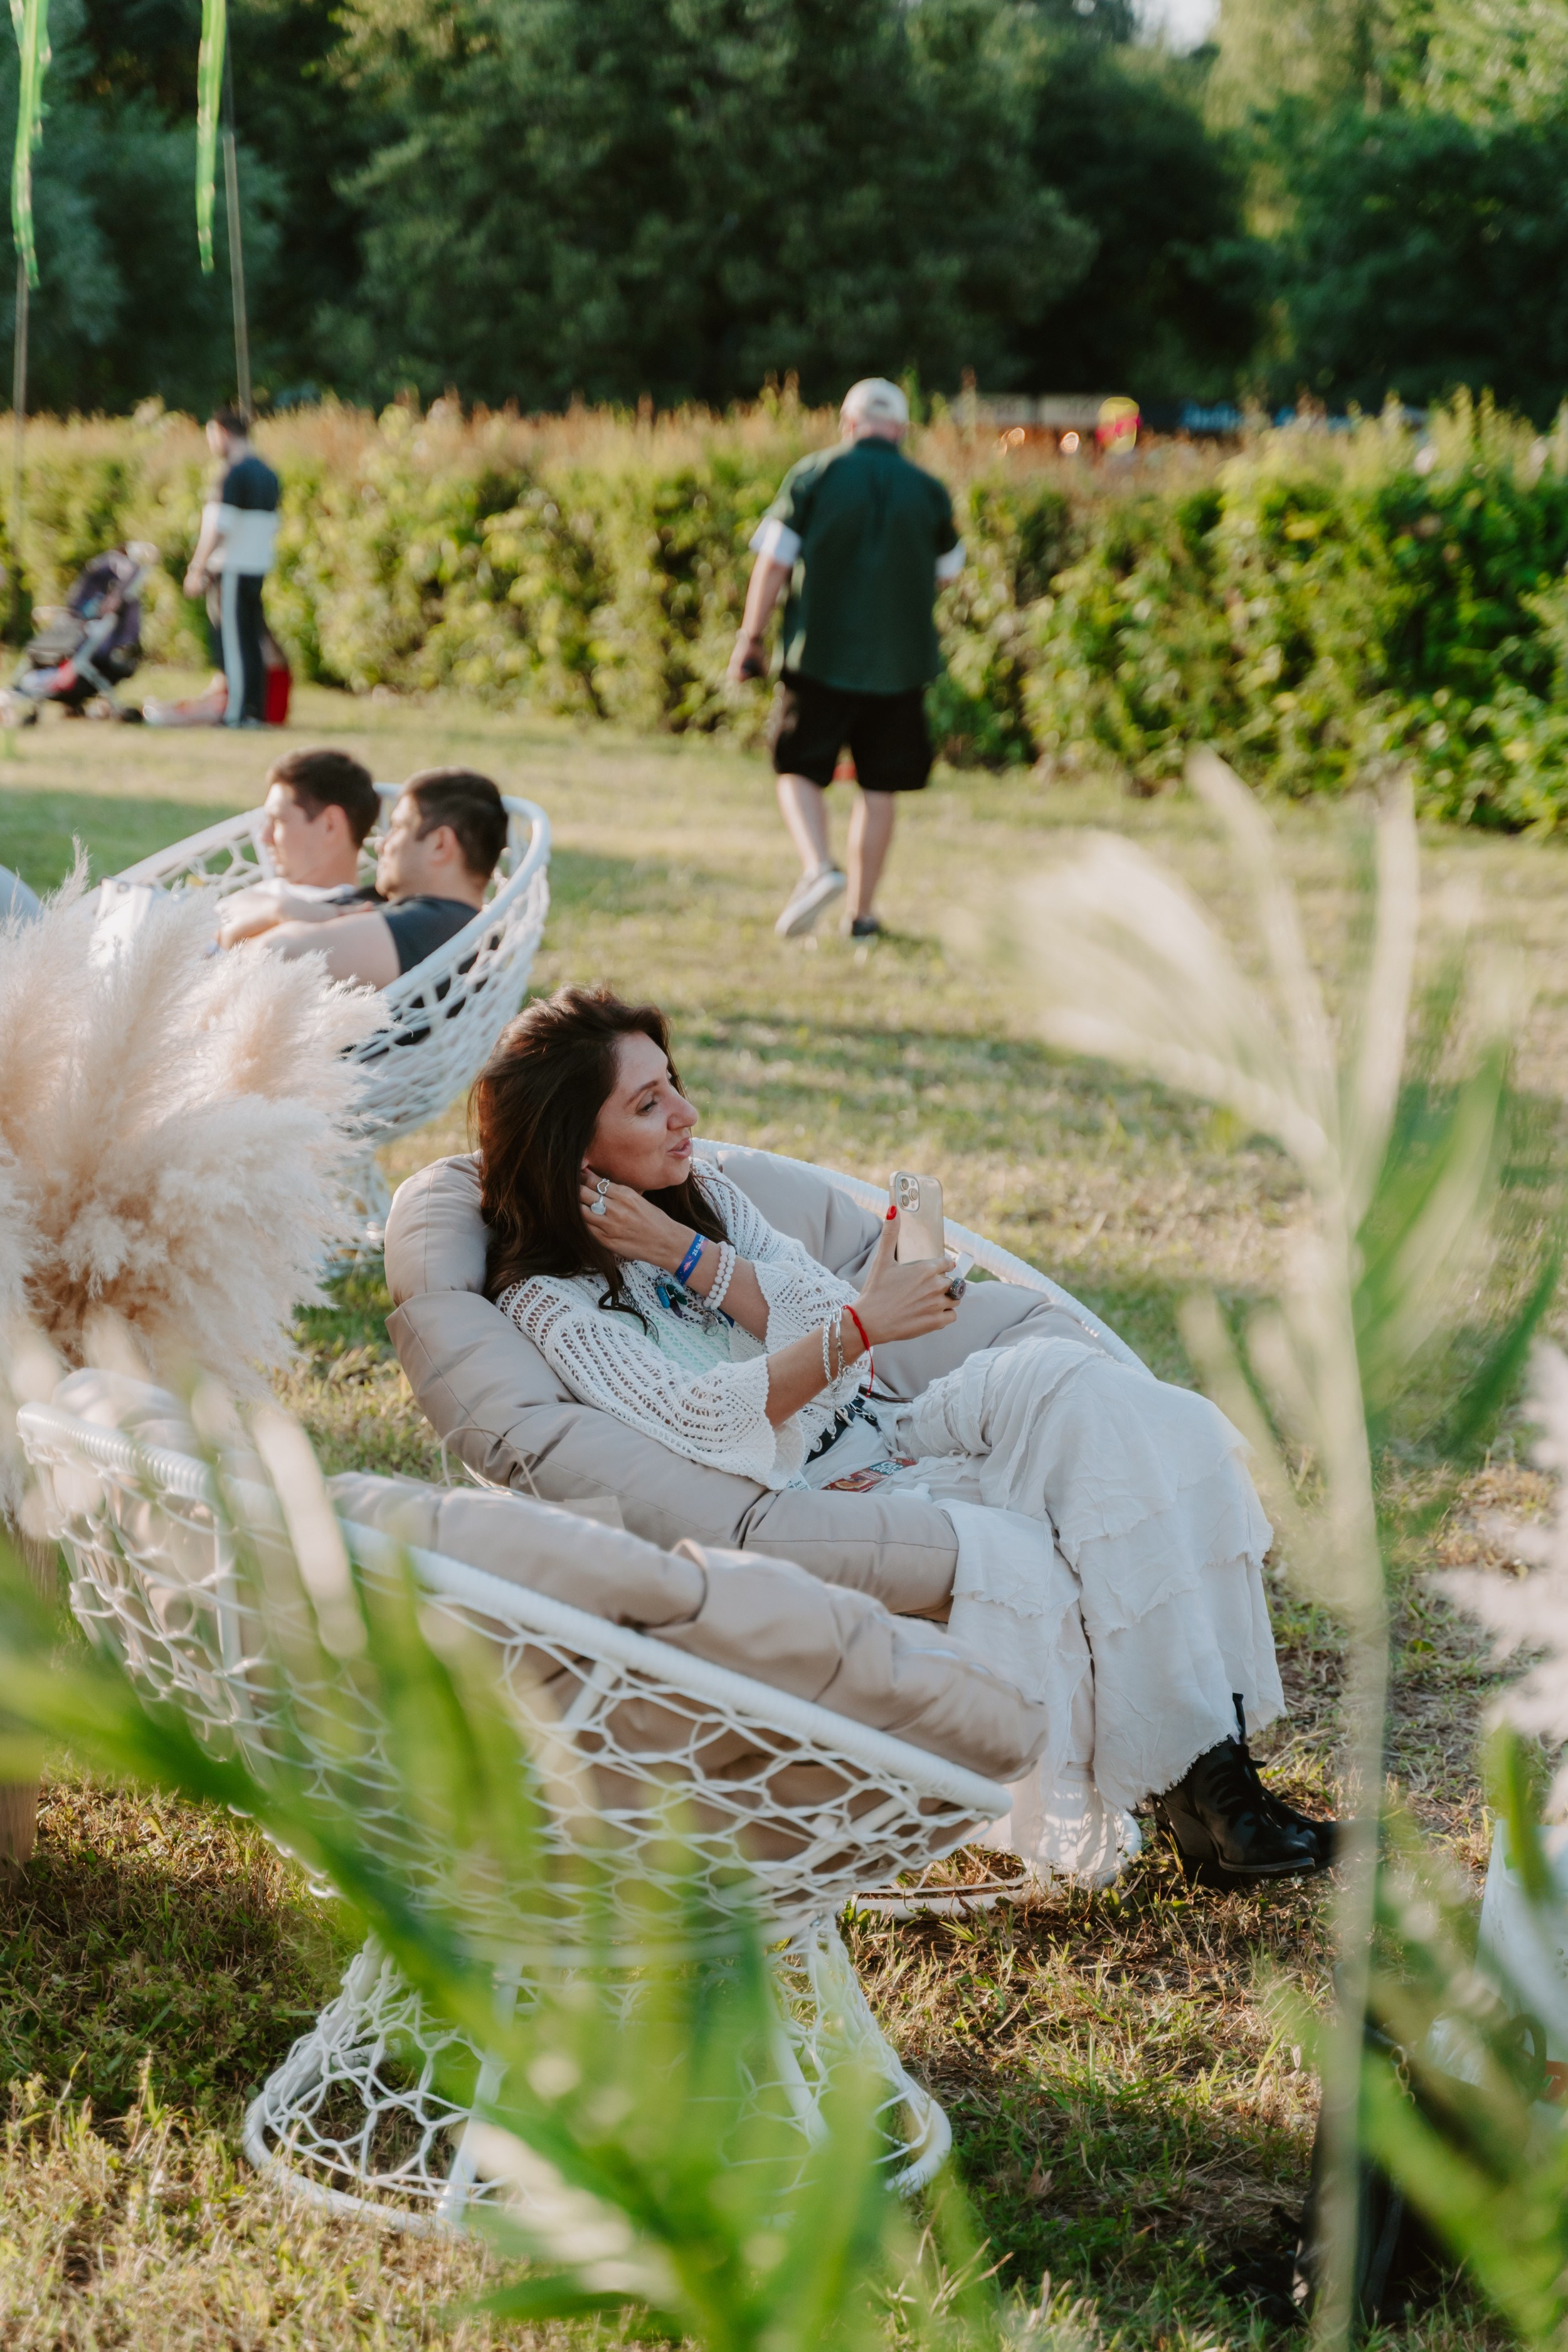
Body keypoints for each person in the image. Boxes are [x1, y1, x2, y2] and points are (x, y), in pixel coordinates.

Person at [472, 986, 1337, 1888]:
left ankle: (1216, 1781)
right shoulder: (550, 1304)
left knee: (1111, 1404)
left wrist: (691, 1254)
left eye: (674, 1082)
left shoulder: (708, 1198)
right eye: (647, 1104)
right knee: (1070, 1503)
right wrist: (852, 1325)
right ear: (575, 1147)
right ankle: (1219, 1803)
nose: (686, 1114)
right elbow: (711, 1419)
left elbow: (834, 1324)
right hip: (827, 1494)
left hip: (889, 1428)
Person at [728, 378, 965, 941]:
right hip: (901, 668)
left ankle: (818, 867)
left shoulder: (814, 475)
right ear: (902, 431)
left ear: (846, 422)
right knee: (878, 787)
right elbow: (948, 570)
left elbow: (774, 563)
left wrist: (751, 638)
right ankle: (861, 916)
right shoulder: (929, 489)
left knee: (795, 768)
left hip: (821, 656)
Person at [225, 765, 507, 989]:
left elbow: (278, 954)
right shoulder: (397, 908)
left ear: (440, 845)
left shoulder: (440, 927)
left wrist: (285, 911)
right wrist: (281, 912)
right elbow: (229, 913)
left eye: (397, 828)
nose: (381, 844)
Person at [182, 406, 281, 729]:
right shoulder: (269, 472)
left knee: (235, 642)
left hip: (233, 567)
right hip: (256, 565)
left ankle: (238, 711)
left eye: (211, 436)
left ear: (224, 433)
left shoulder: (233, 473)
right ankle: (256, 709)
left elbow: (219, 526)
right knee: (251, 640)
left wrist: (198, 567)